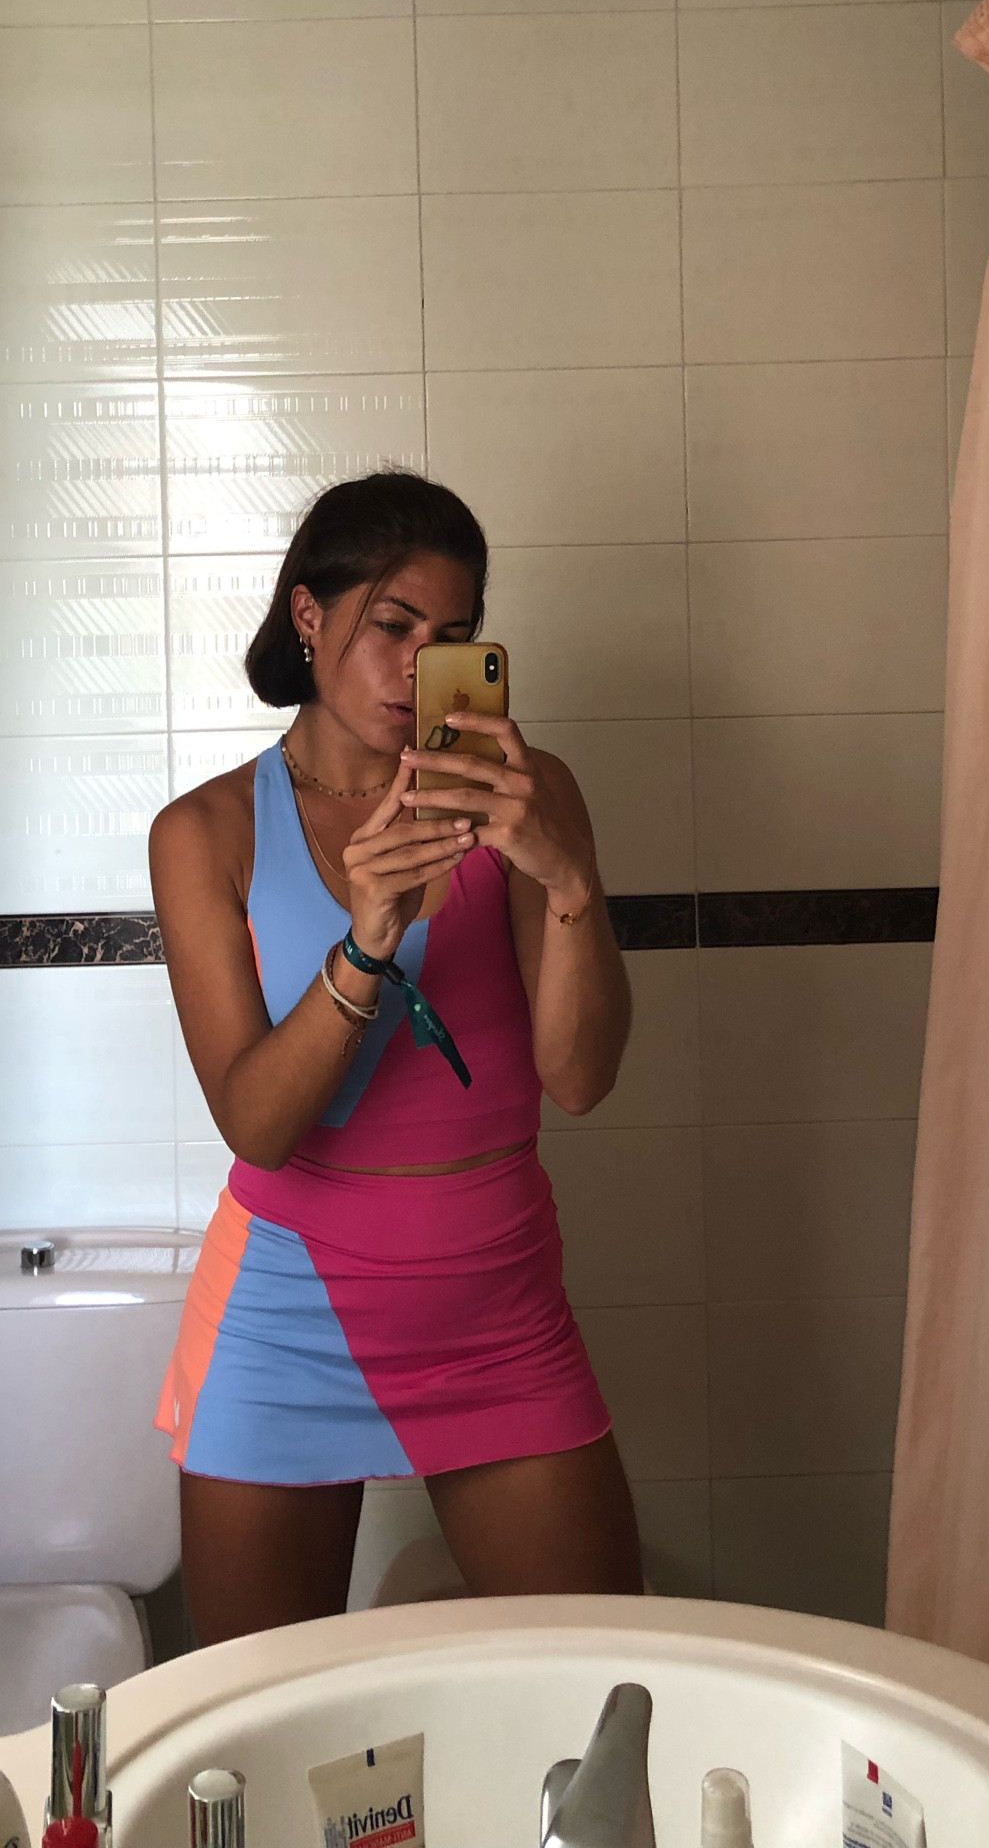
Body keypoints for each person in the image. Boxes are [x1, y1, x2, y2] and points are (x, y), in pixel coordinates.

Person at [149, 469, 641, 1642]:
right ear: (308, 616)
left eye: (453, 637)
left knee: (595, 1694)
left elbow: (579, 1077)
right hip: (285, 1316)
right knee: (262, 1728)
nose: (421, 666)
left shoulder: (529, 799)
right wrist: (367, 942)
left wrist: (569, 879)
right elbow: (257, 1124)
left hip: (498, 1309)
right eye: (393, 625)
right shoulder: (206, 833)